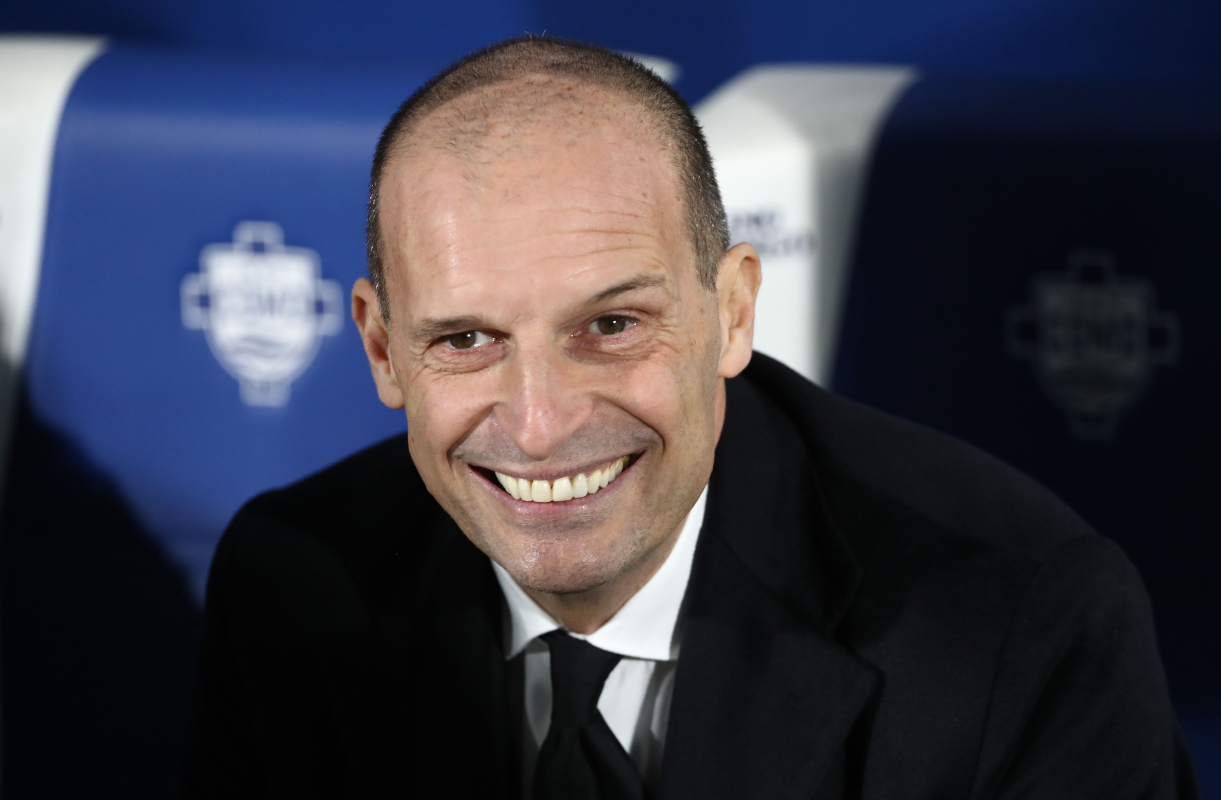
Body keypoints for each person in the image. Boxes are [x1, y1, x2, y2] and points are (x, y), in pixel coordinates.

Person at [184, 36, 1197, 799]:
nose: (538, 425)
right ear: (381, 348)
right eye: (465, 339)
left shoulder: (1020, 623)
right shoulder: (293, 584)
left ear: (733, 312)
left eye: (611, 325)